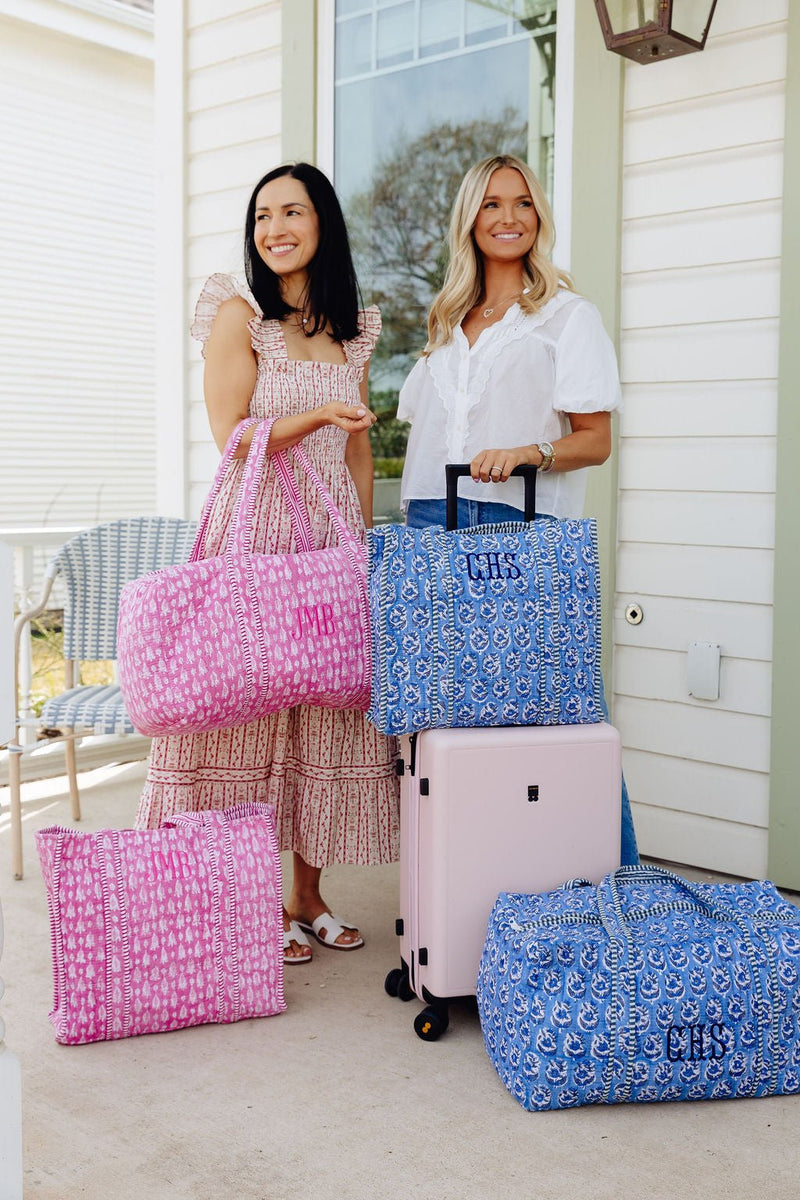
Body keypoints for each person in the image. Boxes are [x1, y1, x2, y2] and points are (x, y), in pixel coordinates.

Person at [135, 162, 400, 962]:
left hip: (326, 541)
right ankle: (247, 903)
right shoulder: (236, 315)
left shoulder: (352, 328)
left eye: (292, 212)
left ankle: (307, 896)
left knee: (318, 714)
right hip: (255, 531)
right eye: (261, 216)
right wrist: (316, 411)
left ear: (323, 222)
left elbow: (357, 455)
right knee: (242, 712)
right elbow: (232, 437)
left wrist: (360, 540)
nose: (274, 229)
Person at [397, 153, 638, 866]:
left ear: (539, 218)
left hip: (518, 531)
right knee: (441, 721)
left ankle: (608, 892)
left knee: (558, 712)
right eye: (492, 203)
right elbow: (424, 440)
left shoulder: (566, 318)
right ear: (469, 219)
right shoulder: (445, 325)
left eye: (523, 203)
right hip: (428, 530)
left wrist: (532, 450)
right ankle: (464, 894)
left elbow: (595, 441)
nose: (508, 217)